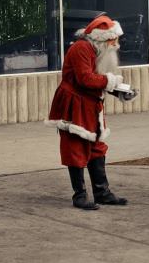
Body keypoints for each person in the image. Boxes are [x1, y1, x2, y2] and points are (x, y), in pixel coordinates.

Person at [45, 15, 137, 210]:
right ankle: (79, 195)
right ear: (102, 39)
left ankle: (101, 192)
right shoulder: (81, 49)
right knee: (76, 147)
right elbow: (85, 78)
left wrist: (120, 91)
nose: (117, 45)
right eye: (114, 40)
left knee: (96, 147)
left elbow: (98, 78)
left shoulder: (97, 50)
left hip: (90, 104)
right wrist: (111, 82)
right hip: (74, 104)